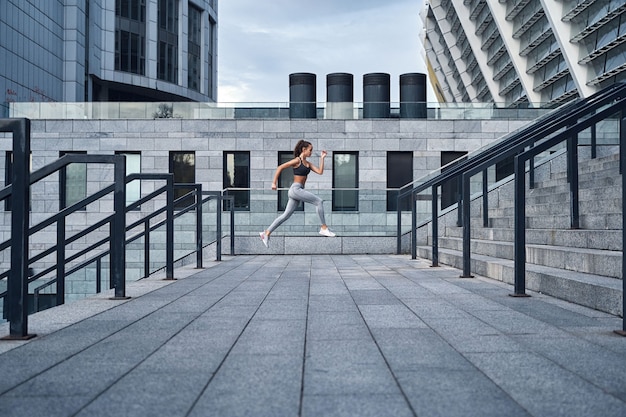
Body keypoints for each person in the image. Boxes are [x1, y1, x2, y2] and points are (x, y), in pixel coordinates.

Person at [259, 140, 335, 247]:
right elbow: (280, 167)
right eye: (310, 150)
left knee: (285, 215)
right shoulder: (297, 161)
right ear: (304, 150)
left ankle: (266, 233)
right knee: (319, 201)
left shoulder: (308, 164)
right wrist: (273, 183)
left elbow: (320, 172)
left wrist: (322, 158)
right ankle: (323, 228)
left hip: (298, 191)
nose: (311, 152)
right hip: (295, 189)